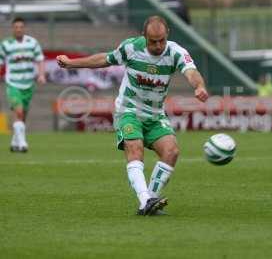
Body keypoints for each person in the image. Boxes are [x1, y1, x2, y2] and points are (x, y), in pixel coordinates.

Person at [57, 15, 209, 216]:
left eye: (161, 40)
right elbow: (104, 59)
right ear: (144, 37)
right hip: (128, 111)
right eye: (153, 41)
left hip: (155, 116)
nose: (158, 45)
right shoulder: (131, 48)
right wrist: (71, 63)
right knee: (134, 148)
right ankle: (145, 199)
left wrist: (199, 86)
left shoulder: (175, 52)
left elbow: (191, 72)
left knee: (171, 152)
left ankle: (149, 201)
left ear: (167, 35)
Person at [0, 17, 46, 152]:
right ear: (13, 29)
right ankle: (22, 144)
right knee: (18, 112)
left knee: (23, 115)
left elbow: (40, 60)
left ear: (24, 28)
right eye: (16, 27)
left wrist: (41, 74)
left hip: (28, 84)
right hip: (13, 83)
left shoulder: (32, 43)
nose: (18, 29)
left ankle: (15, 142)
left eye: (21, 27)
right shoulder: (6, 44)